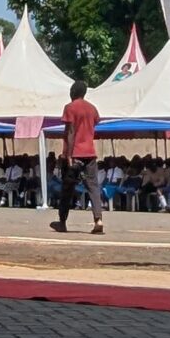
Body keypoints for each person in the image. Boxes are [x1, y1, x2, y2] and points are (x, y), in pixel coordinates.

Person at [51, 80, 104, 234]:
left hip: (75, 153)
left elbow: (70, 132)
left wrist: (68, 155)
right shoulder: (92, 108)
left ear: (73, 92)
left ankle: (62, 222)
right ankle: (98, 219)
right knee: (93, 187)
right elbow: (94, 124)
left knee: (67, 188)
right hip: (90, 153)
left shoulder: (70, 107)